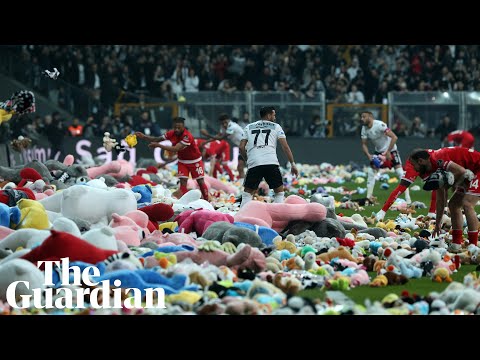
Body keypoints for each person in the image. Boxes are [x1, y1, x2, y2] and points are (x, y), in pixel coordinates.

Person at [409, 147, 480, 251]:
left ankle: (473, 245)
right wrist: (438, 223)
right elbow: (441, 199)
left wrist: (455, 184)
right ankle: (456, 243)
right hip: (468, 171)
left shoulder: (438, 160)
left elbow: (462, 171)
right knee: (453, 205)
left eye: (413, 164)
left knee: (467, 203)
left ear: (420, 161)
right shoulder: (433, 166)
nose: (414, 168)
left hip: (476, 168)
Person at [136, 117, 209, 201]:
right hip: (182, 161)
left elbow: (175, 149)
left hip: (195, 161)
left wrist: (159, 145)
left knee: (200, 182)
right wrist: (144, 136)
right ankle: (185, 202)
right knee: (183, 183)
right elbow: (157, 139)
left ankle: (207, 201)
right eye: (175, 128)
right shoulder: (171, 133)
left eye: (179, 128)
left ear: (183, 127)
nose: (177, 130)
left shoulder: (187, 136)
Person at [239, 106, 298, 208]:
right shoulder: (276, 127)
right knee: (279, 193)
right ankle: (278, 218)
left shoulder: (248, 127)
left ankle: (242, 219)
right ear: (269, 115)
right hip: (271, 162)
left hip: (254, 163)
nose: (275, 117)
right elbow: (285, 147)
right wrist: (292, 164)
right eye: (274, 115)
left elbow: (241, 147)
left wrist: (248, 160)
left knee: (247, 194)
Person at [360, 111, 411, 204]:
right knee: (371, 172)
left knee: (400, 173)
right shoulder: (364, 128)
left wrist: (388, 151)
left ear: (370, 117)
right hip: (379, 152)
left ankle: (408, 199)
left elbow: (394, 137)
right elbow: (364, 144)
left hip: (391, 151)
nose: (362, 119)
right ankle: (368, 197)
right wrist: (368, 155)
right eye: (361, 117)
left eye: (364, 117)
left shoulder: (380, 125)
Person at [376, 155, 437, 221]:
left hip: (425, 162)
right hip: (416, 161)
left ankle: (432, 213)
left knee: (437, 184)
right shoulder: (416, 162)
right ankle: (382, 212)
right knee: (402, 186)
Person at [201, 113, 246, 181]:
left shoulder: (233, 126)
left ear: (229, 120)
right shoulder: (223, 127)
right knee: (240, 167)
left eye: (226, 122)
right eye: (222, 123)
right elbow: (217, 136)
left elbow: (221, 138)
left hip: (248, 147)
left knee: (249, 166)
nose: (224, 125)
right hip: (242, 148)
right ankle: (244, 185)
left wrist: (207, 135)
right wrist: (206, 141)